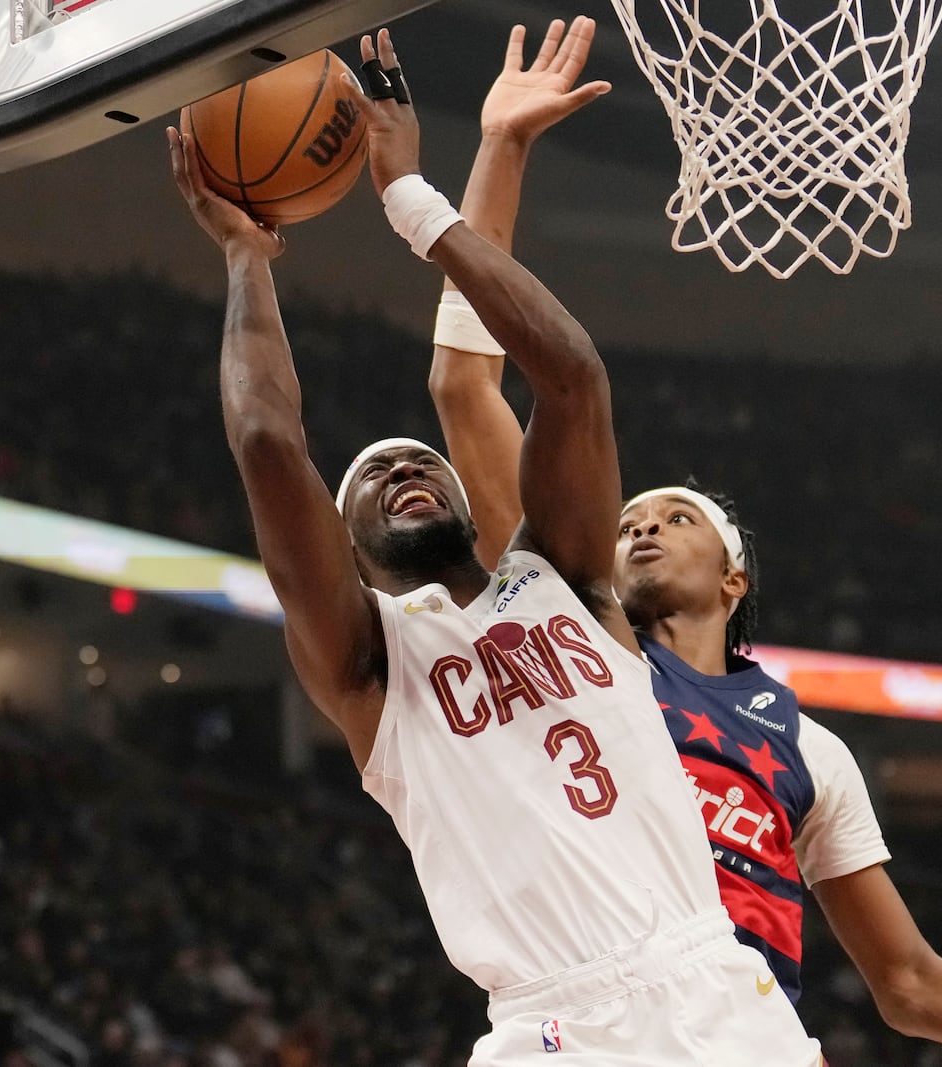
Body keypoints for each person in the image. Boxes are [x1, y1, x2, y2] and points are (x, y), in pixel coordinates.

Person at [424, 18, 942, 1053]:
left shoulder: (807, 748)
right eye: (628, 515)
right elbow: (463, 381)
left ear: (732, 577)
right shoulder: (576, 638)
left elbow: (904, 979)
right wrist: (498, 150)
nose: (638, 526)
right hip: (582, 1017)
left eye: (672, 518)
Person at [166, 24, 823, 1067]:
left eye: (416, 460)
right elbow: (262, 438)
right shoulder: (369, 659)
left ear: (475, 503)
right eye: (370, 477)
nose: (400, 469)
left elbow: (572, 378)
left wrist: (409, 198)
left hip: (718, 988)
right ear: (350, 548)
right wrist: (248, 258)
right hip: (551, 1023)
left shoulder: (569, 578)